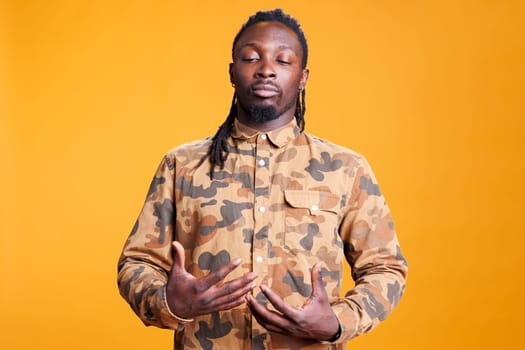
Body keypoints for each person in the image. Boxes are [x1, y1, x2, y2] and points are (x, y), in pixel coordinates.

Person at [117, 8, 408, 350]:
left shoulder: (346, 169)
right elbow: (137, 263)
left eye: (283, 61)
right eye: (251, 58)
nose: (266, 70)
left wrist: (337, 321)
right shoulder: (181, 165)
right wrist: (167, 301)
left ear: (303, 77)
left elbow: (386, 269)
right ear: (232, 72)